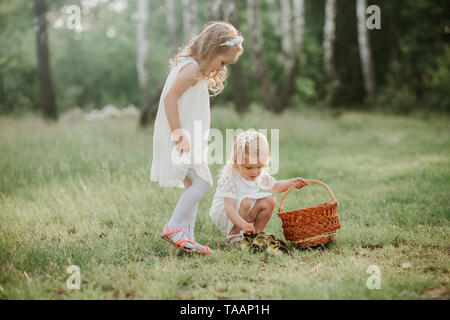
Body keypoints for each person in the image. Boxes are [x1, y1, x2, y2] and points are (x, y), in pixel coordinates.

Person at [151, 22, 244, 255]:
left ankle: (187, 239)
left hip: (187, 136)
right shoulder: (191, 69)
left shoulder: (194, 68)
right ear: (212, 49)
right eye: (222, 62)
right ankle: (173, 228)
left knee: (195, 184)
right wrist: (178, 133)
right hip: (181, 137)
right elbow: (170, 100)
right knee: (203, 183)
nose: (222, 69)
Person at [209, 131, 308, 245]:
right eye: (249, 168)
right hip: (225, 214)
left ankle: (256, 235)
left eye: (259, 166)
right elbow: (229, 208)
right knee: (247, 201)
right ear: (236, 163)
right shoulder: (230, 179)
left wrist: (291, 182)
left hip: (244, 207)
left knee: (270, 200)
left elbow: (276, 186)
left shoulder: (258, 174)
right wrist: (243, 225)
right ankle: (233, 235)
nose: (255, 172)